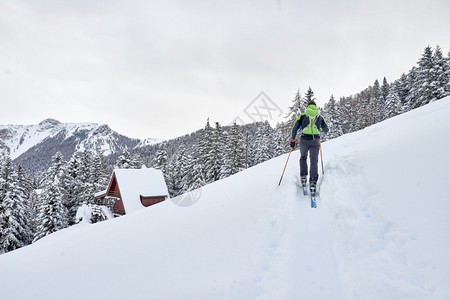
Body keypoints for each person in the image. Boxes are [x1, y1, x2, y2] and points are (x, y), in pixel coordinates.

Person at [290, 101, 329, 194]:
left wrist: (292, 140)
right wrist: (319, 128)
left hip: (304, 140)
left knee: (303, 157)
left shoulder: (303, 115)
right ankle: (313, 182)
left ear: (308, 106)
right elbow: (326, 129)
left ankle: (303, 177)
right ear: (316, 107)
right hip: (315, 140)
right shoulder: (319, 117)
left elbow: (294, 128)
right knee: (314, 161)